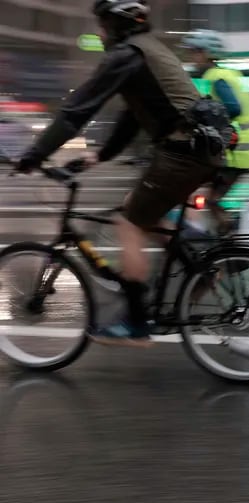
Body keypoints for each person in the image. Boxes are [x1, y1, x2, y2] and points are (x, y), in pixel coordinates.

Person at [13, 0, 219, 347]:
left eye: (103, 26)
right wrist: (99, 156)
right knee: (133, 205)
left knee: (130, 224)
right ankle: (201, 252)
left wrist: (34, 155)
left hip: (183, 152)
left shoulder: (126, 55)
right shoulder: (147, 51)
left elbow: (75, 112)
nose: (100, 32)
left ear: (117, 26)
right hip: (195, 149)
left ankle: (136, 323)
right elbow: (132, 117)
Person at [180, 29, 249, 235]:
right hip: (240, 151)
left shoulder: (217, 77)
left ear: (206, 53)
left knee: (207, 196)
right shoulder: (227, 74)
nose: (192, 57)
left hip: (237, 153)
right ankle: (224, 234)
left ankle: (229, 234)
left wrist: (207, 121)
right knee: (208, 197)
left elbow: (233, 108)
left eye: (195, 52)